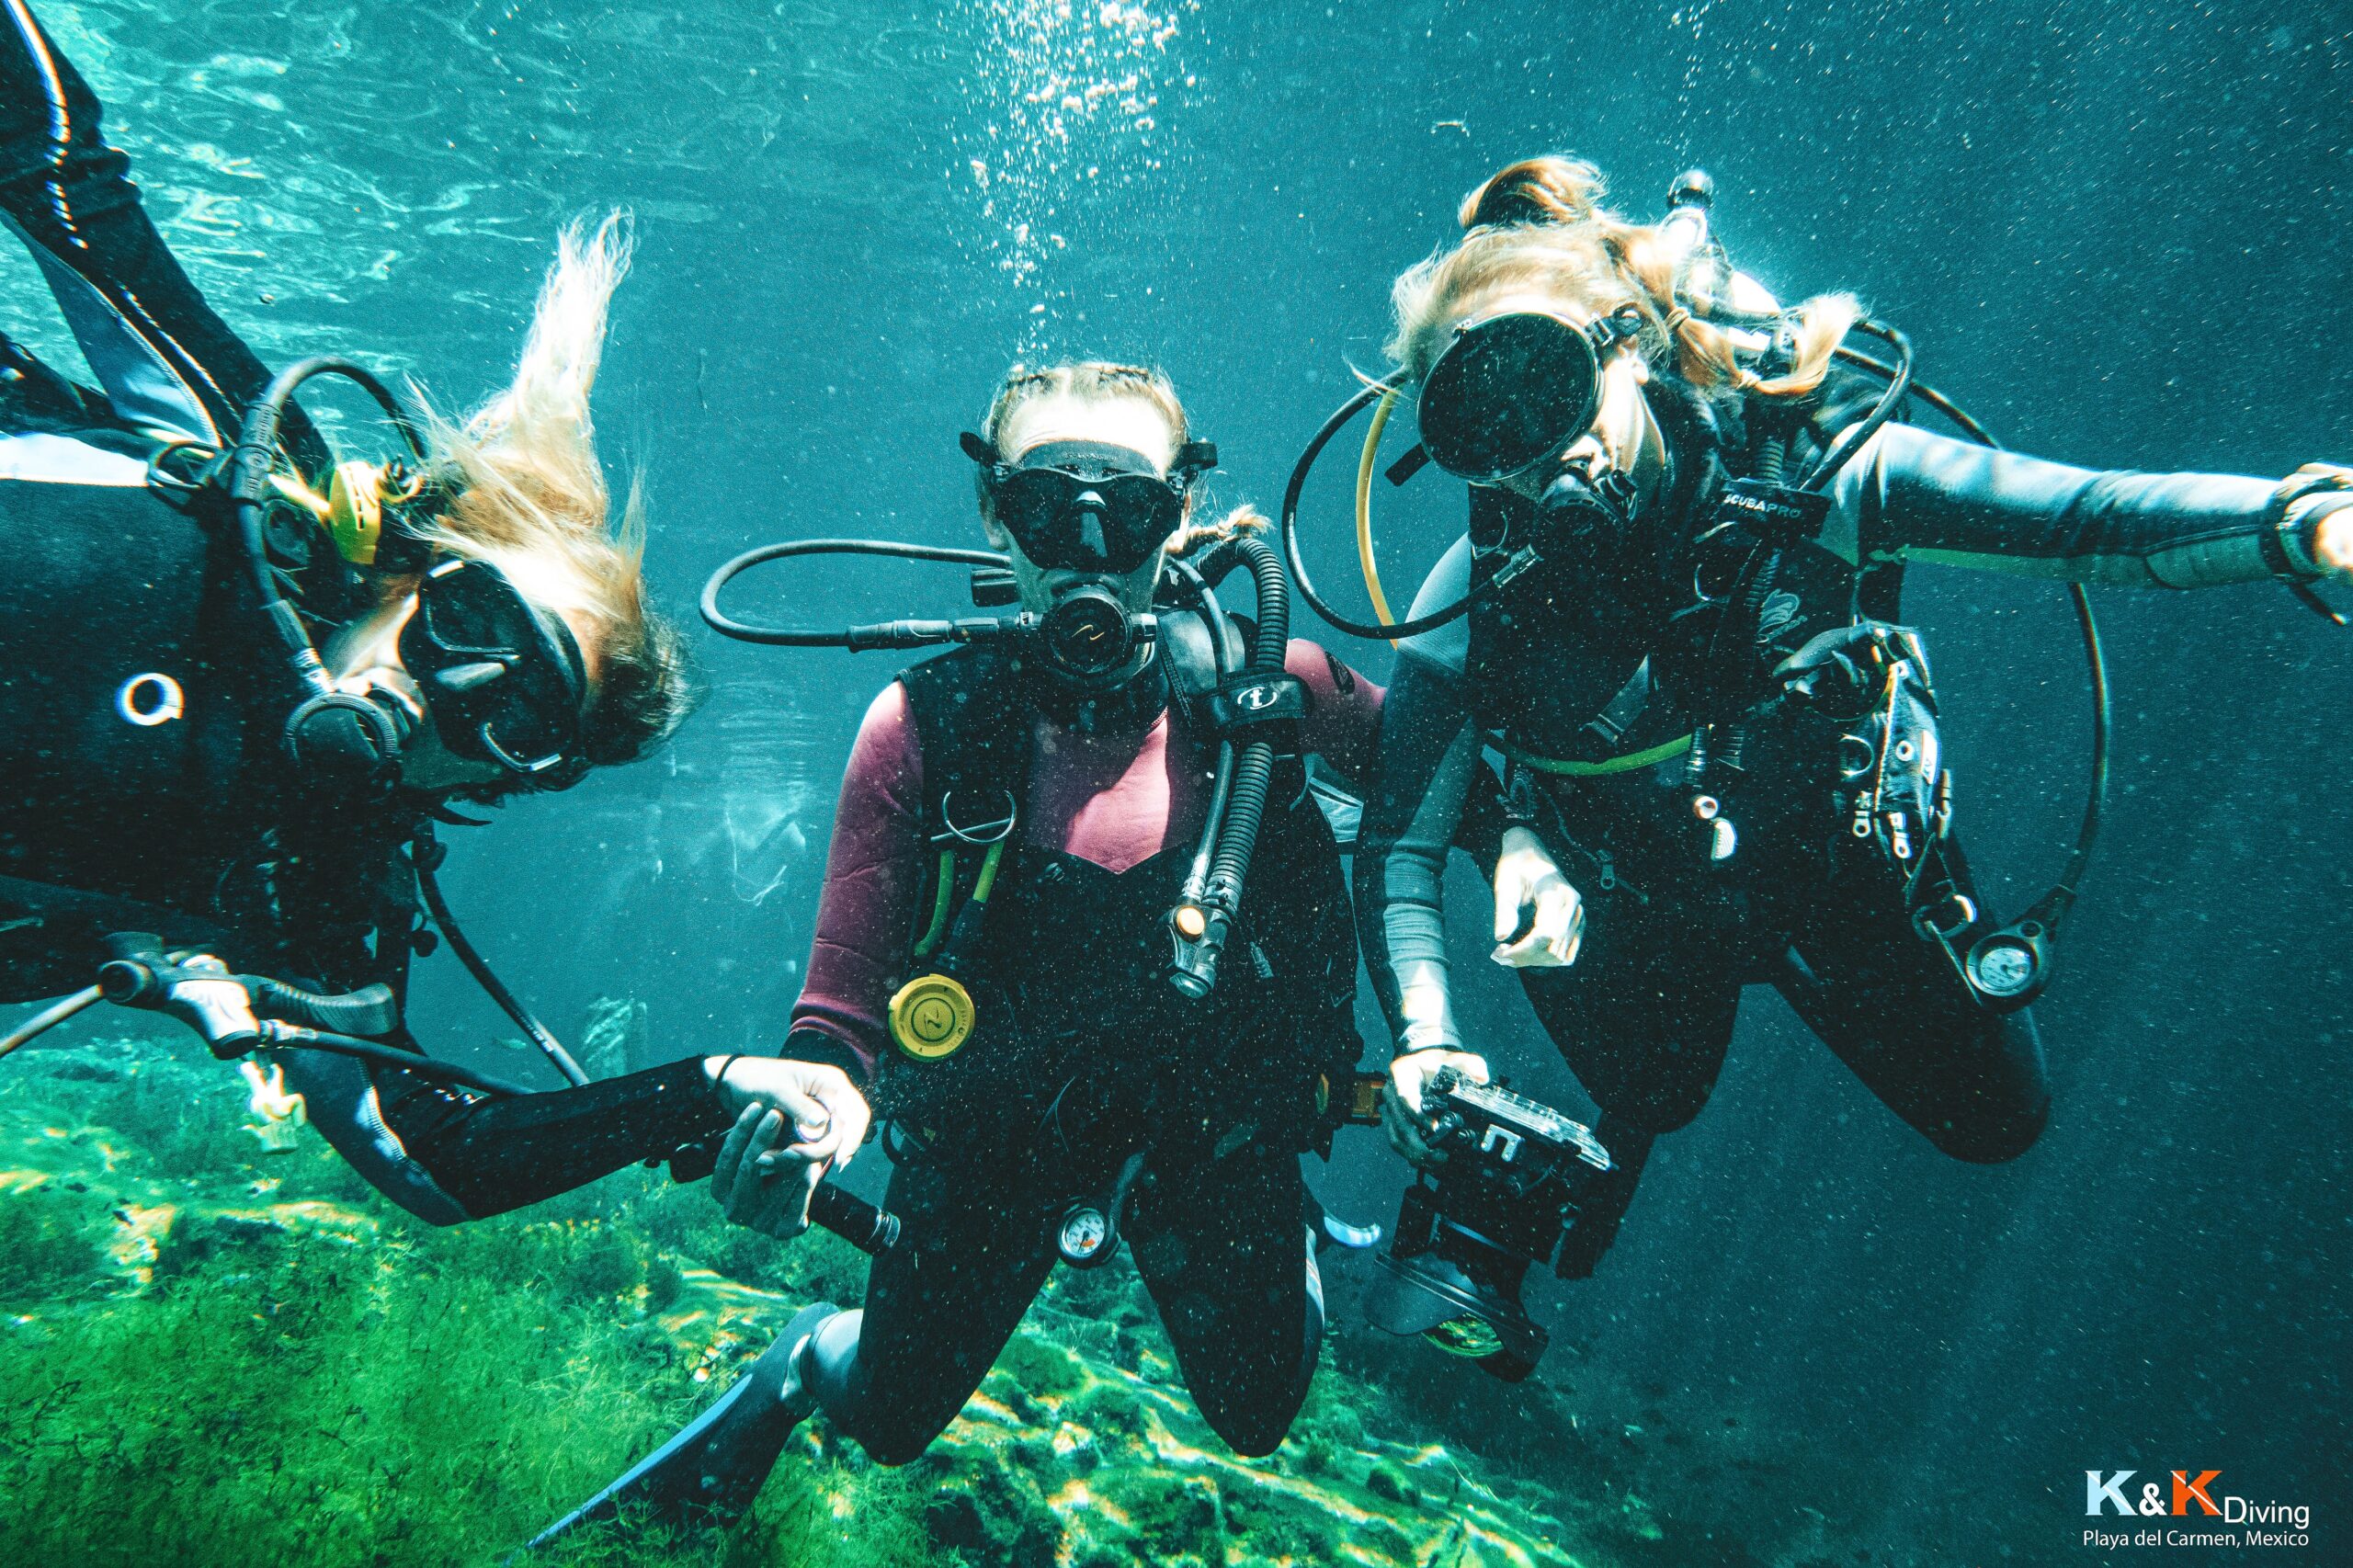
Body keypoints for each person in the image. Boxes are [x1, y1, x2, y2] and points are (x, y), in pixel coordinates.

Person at [1356, 157, 2353, 1281]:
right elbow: (1398, 846)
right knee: (1655, 1095)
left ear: (1621, 343)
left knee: (1997, 1121)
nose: (1532, 453)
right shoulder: (1473, 596)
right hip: (1644, 901)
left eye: (1542, 382)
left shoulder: (1805, 466)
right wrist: (1427, 1036)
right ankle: (1526, 869)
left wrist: (2294, 522)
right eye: (1477, 423)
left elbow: (2079, 516)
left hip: (1840, 864)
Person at [0, 5, 843, 1223]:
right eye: (470, 623)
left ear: (520, 774)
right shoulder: (253, 488)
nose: (451, 691)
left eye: (516, 714)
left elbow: (435, 1157)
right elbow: (63, 178)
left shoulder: (321, 889)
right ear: (417, 570)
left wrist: (706, 1087)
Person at [534, 359, 1388, 1543]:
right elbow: (834, 1021)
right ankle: (796, 1359)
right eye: (1046, 506)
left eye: (1128, 508)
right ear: (996, 515)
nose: (1086, 544)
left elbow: (1448, 784)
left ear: (1180, 515)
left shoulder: (1274, 686)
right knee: (883, 1418)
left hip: (1216, 1133)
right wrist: (811, 1126)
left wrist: (1506, 901)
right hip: (992, 1148)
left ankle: (1279, 1243)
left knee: (1257, 1416)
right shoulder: (921, 724)